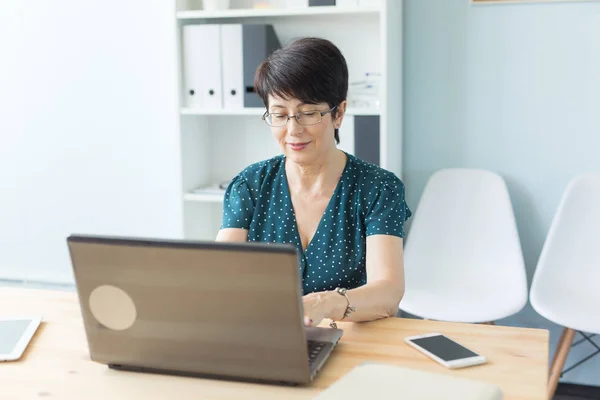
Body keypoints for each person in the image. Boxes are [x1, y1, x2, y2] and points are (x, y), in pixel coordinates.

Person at [216, 37, 411, 328]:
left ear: (339, 113)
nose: (293, 130)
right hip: (267, 335)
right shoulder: (249, 186)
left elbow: (388, 292)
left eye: (308, 113)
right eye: (280, 115)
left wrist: (329, 303)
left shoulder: (377, 189)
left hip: (351, 337)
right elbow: (218, 277)